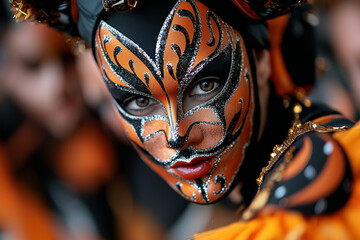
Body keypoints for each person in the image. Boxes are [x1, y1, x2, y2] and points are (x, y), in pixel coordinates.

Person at [7, 0, 360, 239]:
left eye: (204, 85)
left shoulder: (323, 183)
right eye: (138, 101)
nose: (176, 134)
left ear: (262, 58)